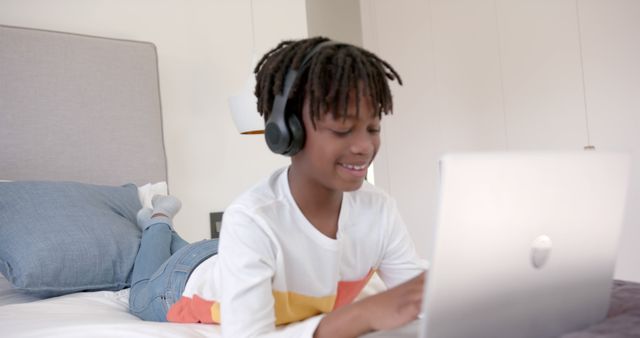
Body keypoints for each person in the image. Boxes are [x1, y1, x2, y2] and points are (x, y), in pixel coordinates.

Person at [128, 36, 427, 338]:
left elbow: (419, 300)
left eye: (373, 128)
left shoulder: (379, 209)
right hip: (179, 284)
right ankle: (157, 221)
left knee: (209, 250)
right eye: (342, 130)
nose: (364, 146)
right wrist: (360, 315)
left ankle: (167, 230)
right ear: (287, 132)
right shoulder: (251, 218)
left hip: (223, 255)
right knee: (138, 287)